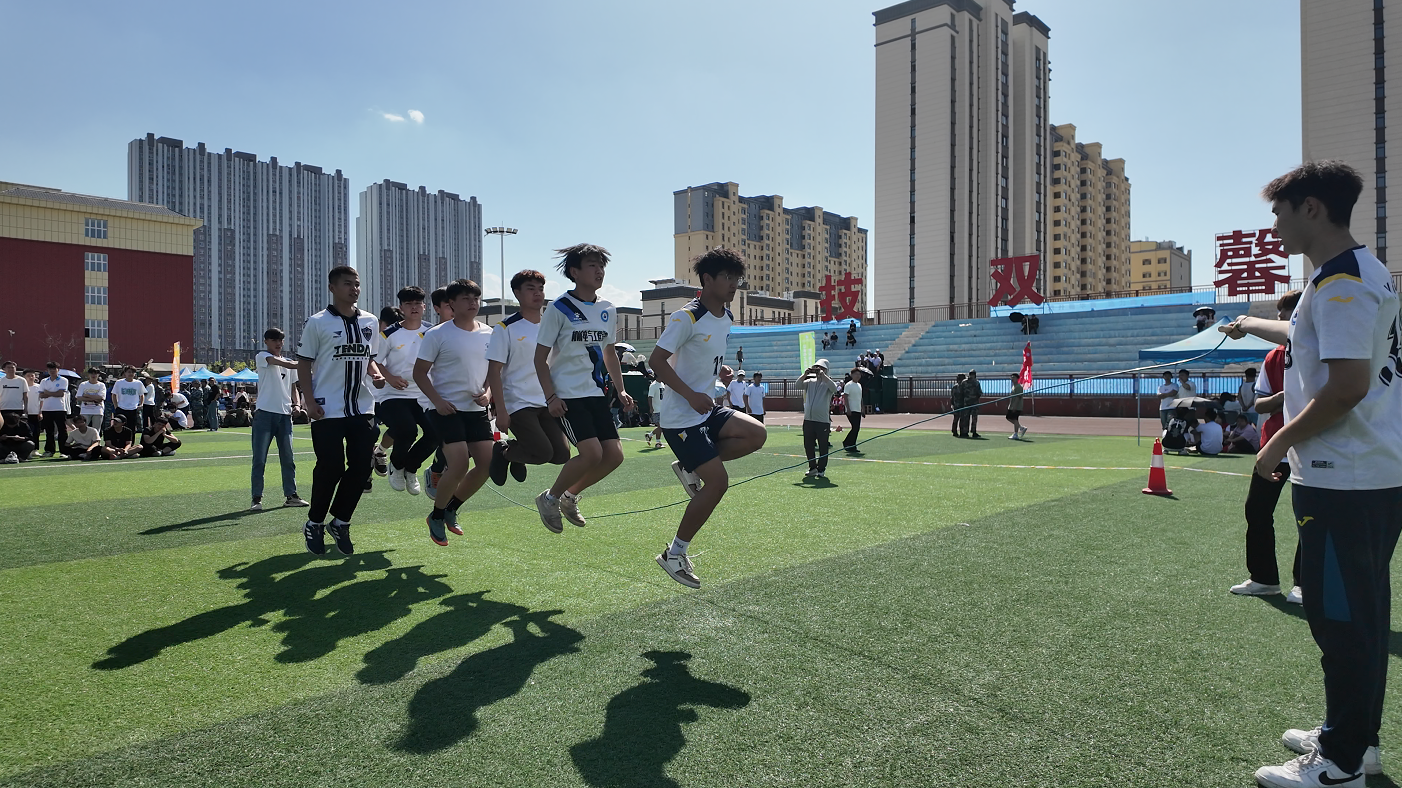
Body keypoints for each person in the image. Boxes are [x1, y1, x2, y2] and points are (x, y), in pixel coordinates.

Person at [1222, 161, 1398, 787]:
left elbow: (1346, 387)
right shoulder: (1351, 274)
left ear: (1312, 209)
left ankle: (1340, 763)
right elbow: (1307, 332)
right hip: (1364, 474)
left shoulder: (1342, 283)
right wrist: (1249, 324)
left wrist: (1275, 446)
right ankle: (1354, 740)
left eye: (1279, 213)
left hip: (1342, 476)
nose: (1274, 227)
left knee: (1342, 620)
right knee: (1359, 616)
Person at [648, 248, 766, 588]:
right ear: (707, 279)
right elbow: (656, 362)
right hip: (681, 418)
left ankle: (689, 466)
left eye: (736, 278)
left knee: (756, 434)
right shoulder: (686, 317)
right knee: (717, 483)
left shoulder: (726, 316)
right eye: (727, 277)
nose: (733, 284)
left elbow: (702, 357)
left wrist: (720, 370)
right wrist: (690, 394)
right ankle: (674, 554)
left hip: (705, 409)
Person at [531, 244, 634, 534]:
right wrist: (551, 397)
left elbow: (609, 353)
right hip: (567, 395)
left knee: (614, 456)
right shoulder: (559, 308)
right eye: (592, 265)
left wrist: (621, 389)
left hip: (596, 393)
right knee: (591, 454)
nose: (599, 271)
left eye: (601, 265)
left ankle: (569, 496)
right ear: (574, 272)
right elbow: (539, 359)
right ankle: (549, 499)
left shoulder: (608, 308)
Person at [295, 265, 383, 557]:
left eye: (356, 284)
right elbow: (304, 362)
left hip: (362, 407)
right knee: (330, 468)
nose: (354, 289)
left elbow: (369, 357)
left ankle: (341, 521)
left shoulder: (370, 321)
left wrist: (375, 373)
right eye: (347, 284)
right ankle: (314, 522)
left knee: (362, 467)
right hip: (327, 408)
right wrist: (309, 400)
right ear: (332, 288)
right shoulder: (317, 322)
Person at [1229, 290, 1306, 603]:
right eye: (1279, 313)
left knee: (1309, 516)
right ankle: (1264, 579)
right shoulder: (1273, 357)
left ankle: (1305, 583)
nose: (1280, 318)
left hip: (1310, 446)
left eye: (1286, 312)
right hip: (1273, 447)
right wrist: (1281, 398)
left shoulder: (1319, 348)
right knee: (1257, 510)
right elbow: (1260, 404)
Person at [415, 278, 496, 546]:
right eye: (465, 299)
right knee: (459, 463)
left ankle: (451, 508)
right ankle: (437, 515)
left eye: (476, 298)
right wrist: (437, 401)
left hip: (476, 409)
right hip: (445, 410)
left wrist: (488, 393)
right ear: (451, 304)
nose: (473, 303)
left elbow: (493, 372)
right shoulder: (437, 334)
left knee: (487, 464)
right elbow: (419, 373)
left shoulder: (489, 333)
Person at [485, 270, 570, 488]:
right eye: (530, 289)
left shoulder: (553, 326)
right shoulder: (505, 328)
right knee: (542, 452)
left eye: (540, 289)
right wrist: (501, 411)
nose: (537, 293)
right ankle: (504, 451)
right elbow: (494, 371)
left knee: (561, 455)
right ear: (517, 293)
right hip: (518, 402)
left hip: (547, 400)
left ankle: (514, 451)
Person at [375, 286, 439, 496]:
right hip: (394, 394)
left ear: (424, 307)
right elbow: (375, 362)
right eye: (408, 304)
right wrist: (390, 378)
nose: (414, 307)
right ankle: (396, 465)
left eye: (417, 303)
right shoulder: (389, 334)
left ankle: (410, 469)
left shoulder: (433, 332)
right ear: (401, 308)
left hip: (423, 394)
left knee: (436, 432)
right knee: (407, 430)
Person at [250, 327, 309, 511]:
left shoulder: (288, 362)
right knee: (259, 459)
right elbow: (283, 363)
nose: (278, 343)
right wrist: (306, 362)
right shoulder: (262, 356)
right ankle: (256, 498)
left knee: (288, 458)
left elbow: (293, 388)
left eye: (280, 340)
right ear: (266, 341)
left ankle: (291, 495)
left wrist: (297, 404)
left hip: (284, 416)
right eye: (274, 340)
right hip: (264, 414)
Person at [422, 285, 454, 499]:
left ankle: (440, 468)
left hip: (470, 399)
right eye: (448, 305)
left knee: (471, 446)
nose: (454, 309)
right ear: (437, 308)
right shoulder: (431, 335)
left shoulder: (475, 332)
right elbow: (421, 370)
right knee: (449, 441)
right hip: (438, 399)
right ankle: (436, 470)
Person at [798, 359, 839, 478]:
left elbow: (834, 388)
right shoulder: (810, 382)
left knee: (823, 446)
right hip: (808, 420)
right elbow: (798, 385)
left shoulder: (828, 383)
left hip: (822, 421)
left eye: (821, 368)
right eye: (816, 367)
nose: (818, 370)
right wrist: (805, 374)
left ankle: (821, 469)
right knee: (808, 445)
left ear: (826, 370)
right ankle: (812, 468)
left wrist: (824, 376)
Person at [36, 362, 68, 456]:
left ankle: (64, 451)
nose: (52, 371)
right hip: (47, 409)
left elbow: (60, 394)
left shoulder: (63, 380)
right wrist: (53, 393)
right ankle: (49, 450)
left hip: (60, 408)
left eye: (54, 369)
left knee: (62, 430)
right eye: (50, 369)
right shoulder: (44, 381)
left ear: (58, 369)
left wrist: (48, 393)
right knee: (49, 431)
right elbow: (41, 395)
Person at [111, 366, 145, 435]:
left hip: (133, 409)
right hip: (121, 408)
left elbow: (142, 395)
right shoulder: (119, 382)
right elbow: (114, 394)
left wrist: (141, 404)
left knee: (132, 428)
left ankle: (131, 441)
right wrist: (116, 406)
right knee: (119, 427)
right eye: (129, 372)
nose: (131, 374)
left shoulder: (138, 383)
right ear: (125, 373)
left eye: (133, 372)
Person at [841, 367, 863, 453]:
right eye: (856, 374)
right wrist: (848, 409)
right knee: (855, 427)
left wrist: (862, 408)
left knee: (856, 428)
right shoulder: (848, 385)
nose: (858, 376)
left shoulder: (859, 385)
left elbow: (860, 398)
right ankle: (847, 443)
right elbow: (845, 397)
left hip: (858, 409)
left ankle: (852, 445)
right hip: (851, 409)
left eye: (859, 374)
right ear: (852, 375)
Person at [646, 374, 666, 447]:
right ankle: (658, 442)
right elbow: (650, 397)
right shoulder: (653, 385)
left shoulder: (662, 384)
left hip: (663, 409)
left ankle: (650, 435)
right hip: (657, 409)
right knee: (661, 426)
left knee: (661, 426)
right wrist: (651, 408)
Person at [23, 369, 42, 445]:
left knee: (36, 431)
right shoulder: (22, 387)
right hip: (24, 413)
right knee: (26, 431)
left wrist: (40, 412)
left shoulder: (39, 387)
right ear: (24, 377)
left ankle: (35, 448)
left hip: (35, 412)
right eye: (28, 376)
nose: (30, 377)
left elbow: (42, 400)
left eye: (32, 375)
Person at [1007, 373, 1027, 440]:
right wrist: (1010, 405)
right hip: (1012, 405)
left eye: (1014, 377)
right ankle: (1019, 430)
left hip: (1017, 406)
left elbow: (1018, 397)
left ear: (1017, 379)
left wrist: (1014, 407)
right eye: (1012, 377)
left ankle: (1018, 431)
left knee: (1012, 418)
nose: (1012, 379)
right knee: (1012, 418)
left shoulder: (1019, 387)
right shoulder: (1013, 386)